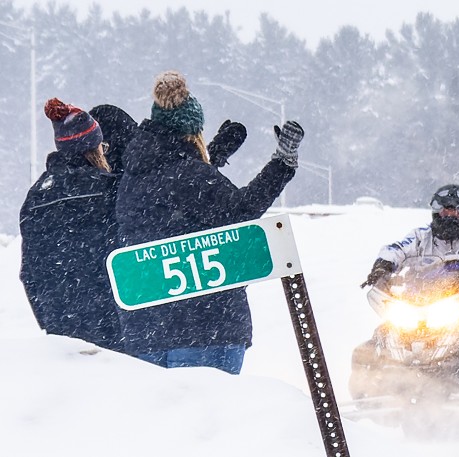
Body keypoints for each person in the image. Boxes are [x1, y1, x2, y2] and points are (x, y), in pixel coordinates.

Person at [114, 70, 301, 374]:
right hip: (205, 326)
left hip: (145, 333)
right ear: (191, 133)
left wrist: (216, 153)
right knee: (213, 420)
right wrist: (282, 162)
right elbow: (241, 210)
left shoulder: (133, 179)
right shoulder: (191, 177)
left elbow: (175, 189)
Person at [19, 98, 121, 350]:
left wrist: (52, 323)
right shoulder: (110, 190)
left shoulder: (36, 197)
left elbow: (30, 272)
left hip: (61, 335)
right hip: (111, 330)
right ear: (95, 149)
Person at [360, 184, 459, 301]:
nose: (450, 217)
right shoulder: (420, 237)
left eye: (456, 212)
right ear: (436, 212)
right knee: (383, 332)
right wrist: (382, 266)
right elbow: (396, 250)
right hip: (413, 306)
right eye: (445, 212)